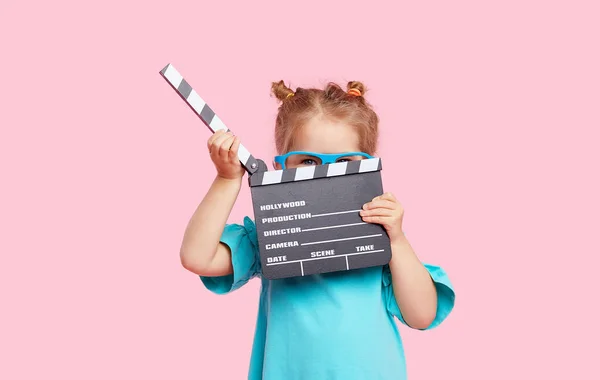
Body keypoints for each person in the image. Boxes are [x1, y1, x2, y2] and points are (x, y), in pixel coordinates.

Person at [179, 80, 456, 379]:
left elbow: (421, 315)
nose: (326, 174)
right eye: (309, 161)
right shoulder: (273, 233)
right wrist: (226, 179)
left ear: (369, 166)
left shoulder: (378, 236)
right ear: (282, 166)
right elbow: (197, 257)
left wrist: (397, 242)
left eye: (345, 161)